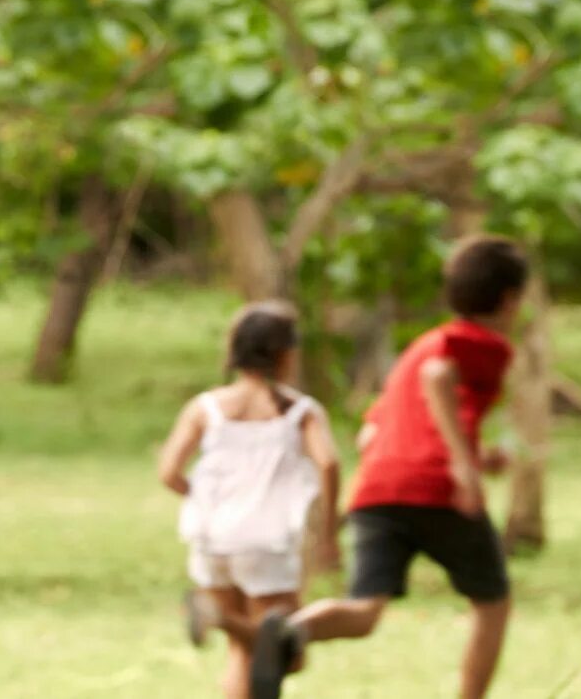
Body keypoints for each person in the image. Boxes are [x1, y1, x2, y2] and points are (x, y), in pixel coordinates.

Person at [249, 236, 531, 699]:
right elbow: (437, 379)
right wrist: (464, 466)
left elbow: (372, 434)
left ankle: (290, 632)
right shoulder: (482, 344)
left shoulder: (419, 347)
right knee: (492, 602)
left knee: (364, 612)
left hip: (378, 489)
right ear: (509, 298)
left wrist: (473, 453)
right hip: (437, 488)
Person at [158, 301, 340, 699]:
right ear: (286, 355)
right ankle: (218, 617)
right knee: (286, 652)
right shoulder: (300, 411)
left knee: (246, 651)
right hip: (267, 541)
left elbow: (168, 471)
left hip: (211, 537)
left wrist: (205, 497)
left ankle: (218, 617)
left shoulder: (206, 407)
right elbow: (328, 463)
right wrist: (329, 534)